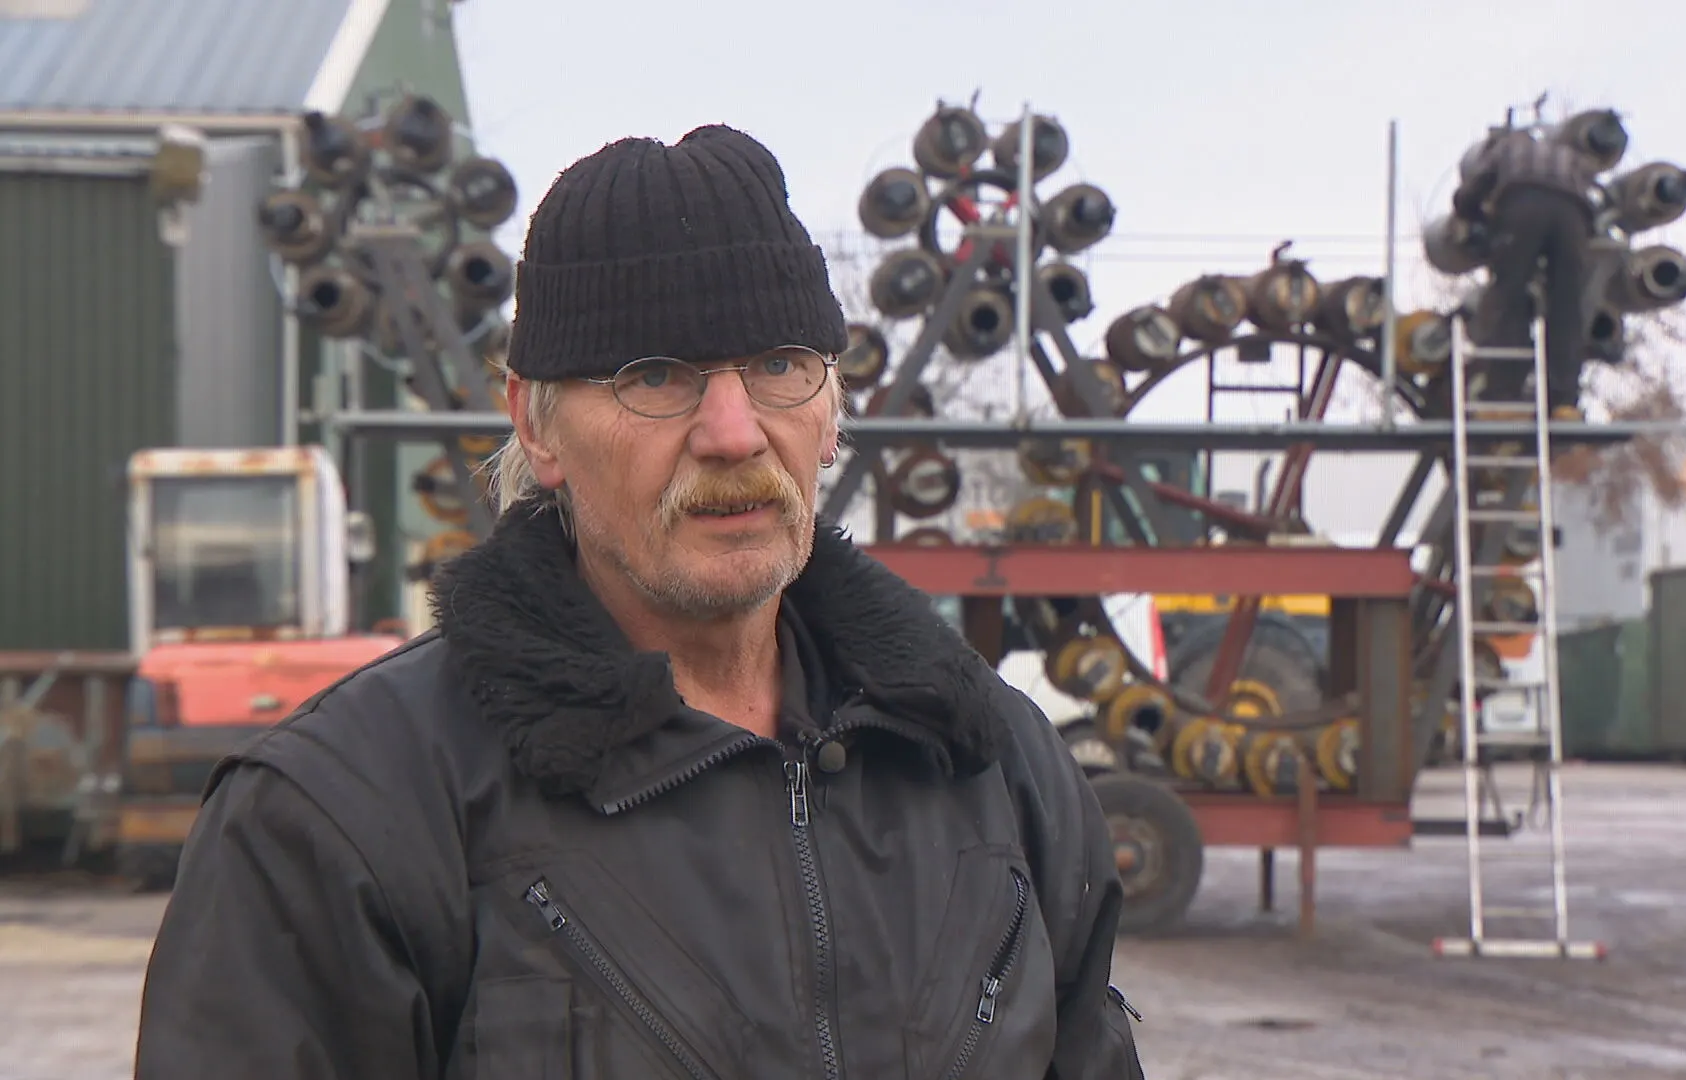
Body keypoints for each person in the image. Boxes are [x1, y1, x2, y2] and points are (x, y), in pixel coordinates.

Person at [133, 125, 1145, 1080]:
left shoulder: (995, 767)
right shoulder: (341, 816)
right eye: (655, 376)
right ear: (536, 425)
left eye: (779, 366)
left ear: (833, 412)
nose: (733, 433)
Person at [1453, 120, 1603, 419]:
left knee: (1509, 296)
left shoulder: (1505, 148)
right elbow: (1597, 198)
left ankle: (1502, 393)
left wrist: (1475, 217)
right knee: (1567, 308)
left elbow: (1471, 192)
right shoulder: (1569, 155)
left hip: (1523, 206)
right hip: (1573, 218)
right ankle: (1564, 401)